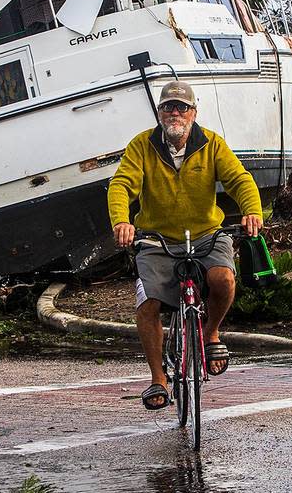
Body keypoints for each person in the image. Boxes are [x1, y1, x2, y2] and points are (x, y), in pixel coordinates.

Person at [108, 81, 263, 411]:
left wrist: (252, 210)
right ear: (160, 112)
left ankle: (211, 334)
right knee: (148, 304)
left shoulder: (211, 144)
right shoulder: (141, 146)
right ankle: (157, 379)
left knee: (223, 279)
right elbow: (121, 185)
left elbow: (239, 178)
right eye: (168, 107)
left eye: (182, 107)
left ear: (194, 112)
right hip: (156, 239)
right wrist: (122, 220)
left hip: (207, 233)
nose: (175, 113)